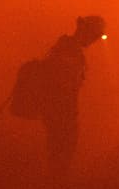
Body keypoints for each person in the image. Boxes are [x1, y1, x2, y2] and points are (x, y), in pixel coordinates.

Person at [39, 15, 106, 176]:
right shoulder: (68, 48)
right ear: (85, 31)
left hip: (61, 109)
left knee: (60, 149)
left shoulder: (68, 47)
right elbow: (62, 82)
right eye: (94, 35)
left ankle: (54, 184)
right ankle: (55, 187)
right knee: (61, 149)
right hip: (60, 110)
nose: (94, 40)